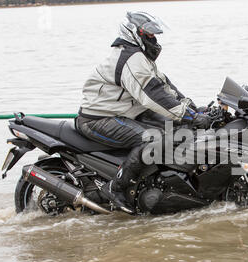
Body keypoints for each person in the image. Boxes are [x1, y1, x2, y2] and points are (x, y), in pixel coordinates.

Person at [75, 11, 210, 214]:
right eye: (149, 36)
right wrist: (190, 115)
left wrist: (193, 109)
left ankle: (166, 181)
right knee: (152, 139)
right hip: (99, 118)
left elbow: (165, 87)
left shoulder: (140, 57)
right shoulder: (131, 59)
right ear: (134, 34)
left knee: (179, 126)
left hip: (126, 112)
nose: (153, 40)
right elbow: (153, 94)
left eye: (153, 36)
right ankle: (116, 188)